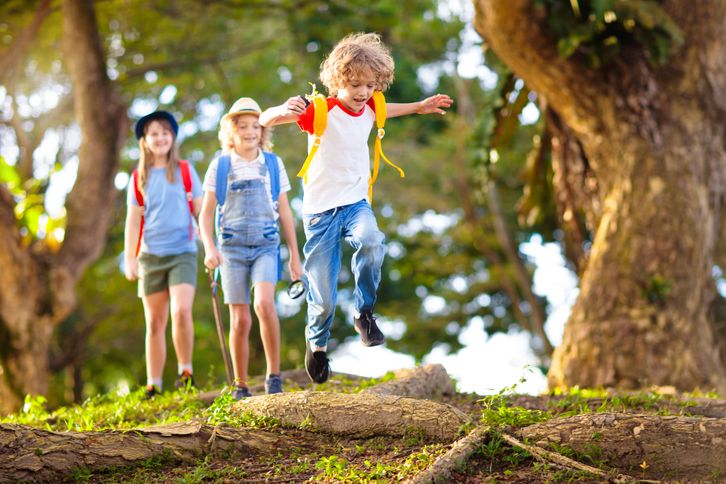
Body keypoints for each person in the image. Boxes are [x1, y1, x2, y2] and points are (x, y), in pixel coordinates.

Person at [259, 32, 453, 384]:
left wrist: (419, 107)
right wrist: (282, 109)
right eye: (354, 86)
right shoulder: (320, 111)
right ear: (337, 84)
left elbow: (385, 109)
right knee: (324, 299)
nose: (363, 93)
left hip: (355, 203)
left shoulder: (371, 105)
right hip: (320, 215)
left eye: (370, 84)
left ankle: (365, 313)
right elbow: (265, 120)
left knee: (371, 240)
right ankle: (317, 345)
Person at [199, 97, 302, 400]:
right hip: (230, 249)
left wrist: (295, 255)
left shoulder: (272, 163)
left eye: (255, 126)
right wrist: (209, 248)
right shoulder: (219, 165)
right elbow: (205, 215)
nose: (249, 131)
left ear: (263, 130)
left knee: (264, 305)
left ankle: (274, 376)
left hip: (266, 245)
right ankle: (241, 384)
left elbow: (284, 210)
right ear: (231, 131)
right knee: (240, 319)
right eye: (242, 126)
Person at [123, 110, 203, 398]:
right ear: (145, 141)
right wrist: (130, 258)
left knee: (181, 311)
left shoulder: (184, 170)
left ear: (173, 137)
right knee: (155, 322)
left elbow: (200, 211)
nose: (160, 138)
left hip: (182, 251)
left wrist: (210, 246)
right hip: (150, 256)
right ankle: (153, 383)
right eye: (154, 133)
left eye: (165, 132)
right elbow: (133, 221)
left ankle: (186, 372)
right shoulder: (137, 178)